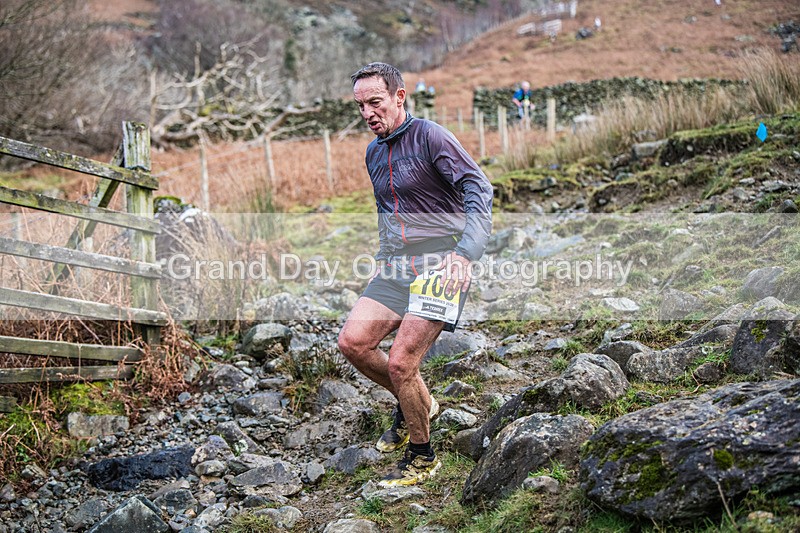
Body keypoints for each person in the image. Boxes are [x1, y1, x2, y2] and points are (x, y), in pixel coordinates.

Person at [339, 62, 492, 487]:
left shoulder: (431, 137)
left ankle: (423, 456)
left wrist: (465, 254)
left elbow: (479, 189)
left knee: (404, 361)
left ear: (399, 97)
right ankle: (418, 403)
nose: (368, 113)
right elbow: (387, 213)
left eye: (376, 102)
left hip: (442, 261)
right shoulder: (373, 152)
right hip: (397, 266)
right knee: (353, 342)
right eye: (361, 106)